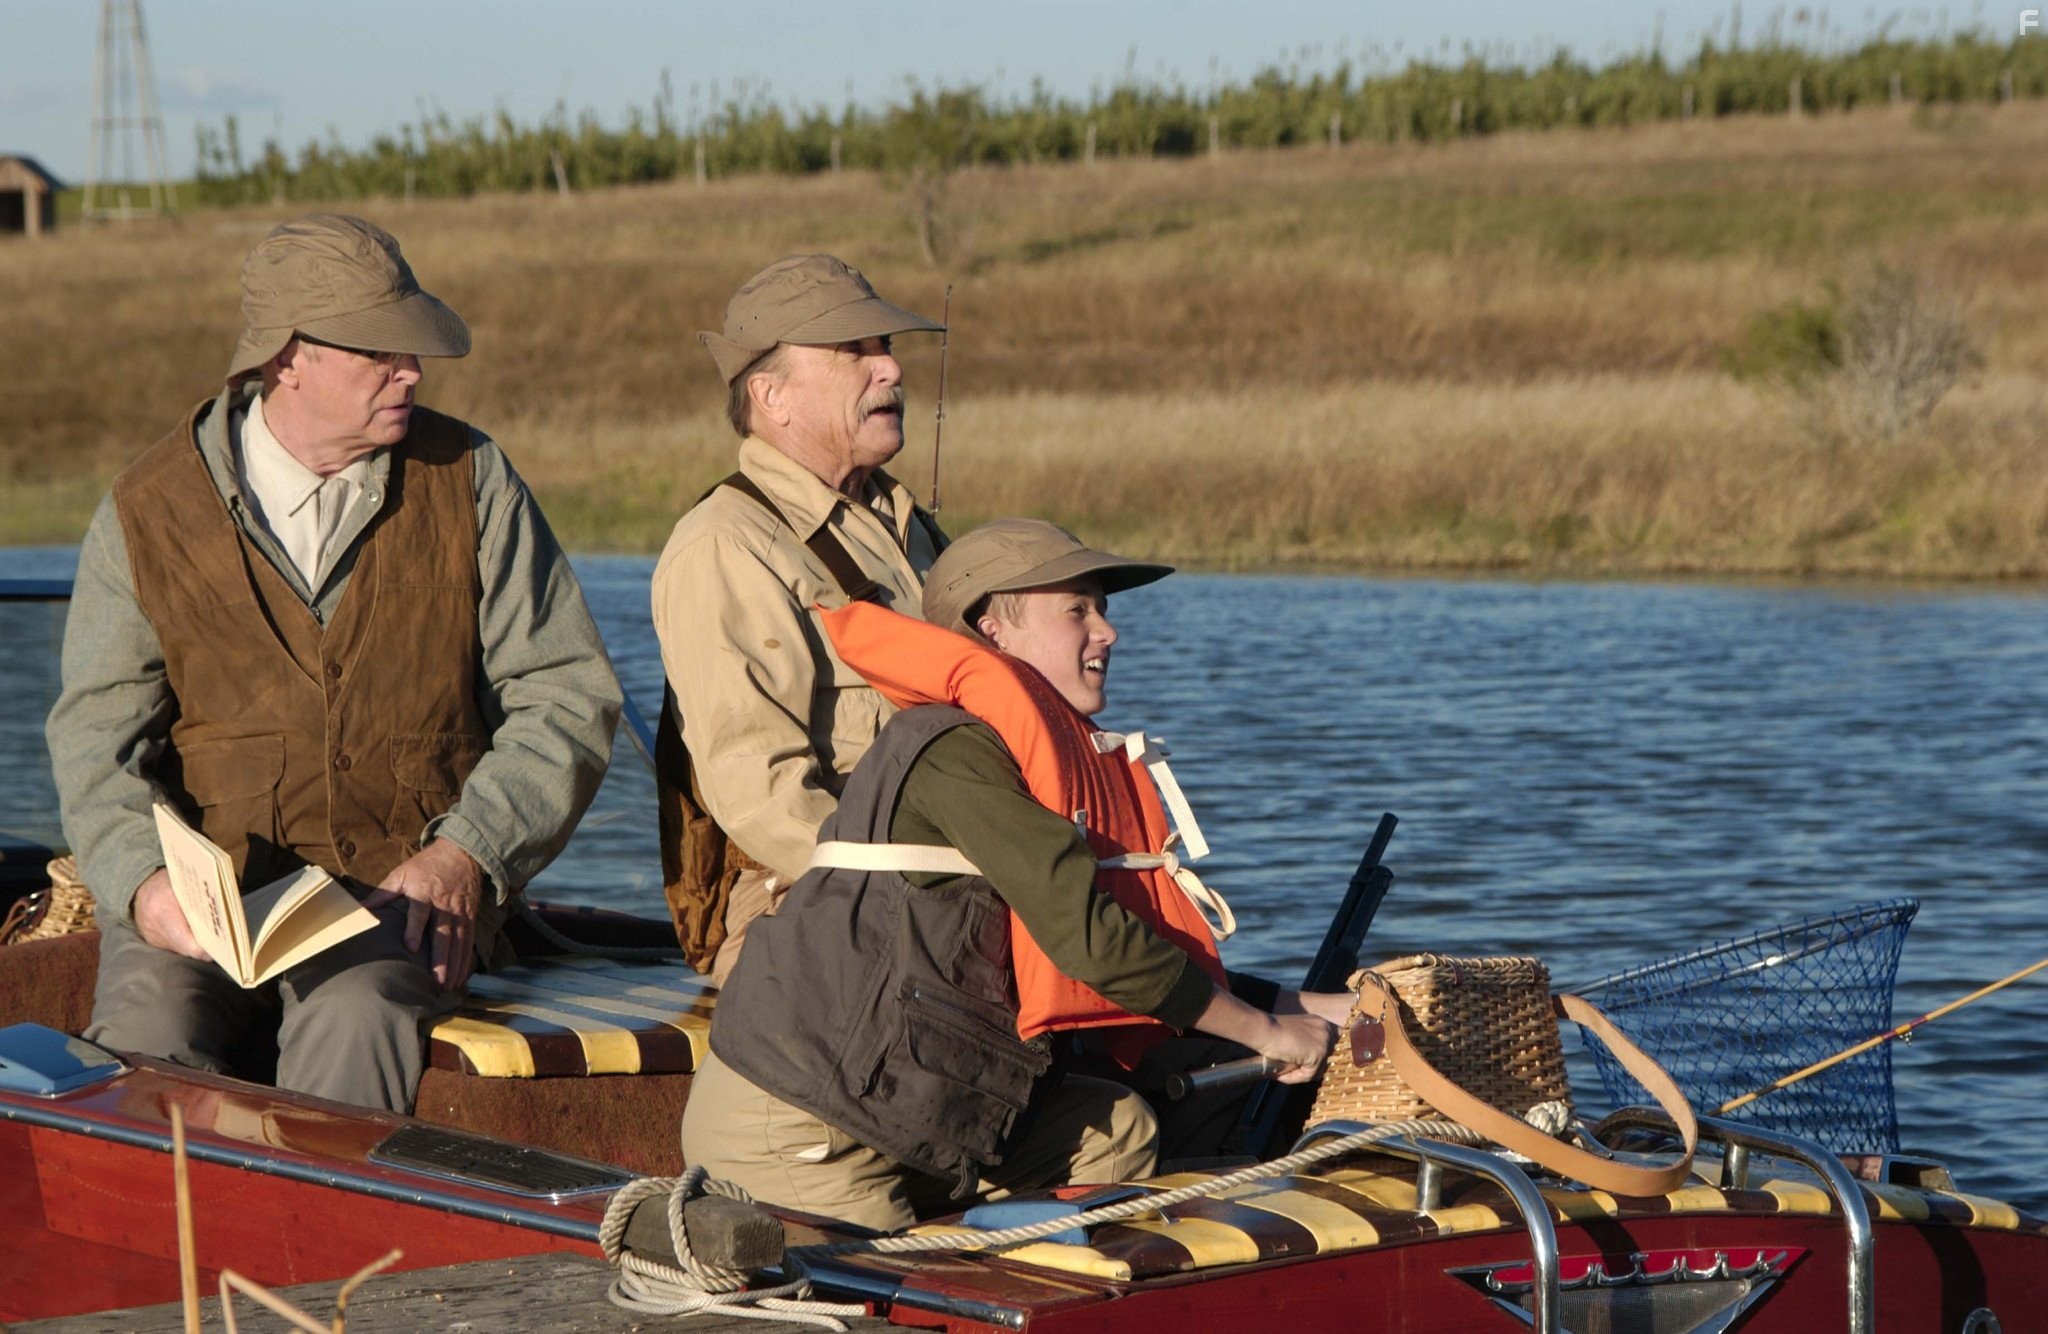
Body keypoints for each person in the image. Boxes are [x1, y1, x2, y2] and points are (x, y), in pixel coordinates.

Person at [46, 213, 622, 1114]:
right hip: (204, 908)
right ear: (287, 360)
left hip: (403, 904)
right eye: (382, 352)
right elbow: (94, 743)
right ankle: (163, 1252)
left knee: (355, 1014)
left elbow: (567, 696)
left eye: (414, 350)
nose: (413, 371)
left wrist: (467, 855)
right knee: (151, 1028)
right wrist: (144, 887)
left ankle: (312, 1256)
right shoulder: (144, 512)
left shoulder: (473, 480)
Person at [682, 518, 1348, 1231]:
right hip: (808, 1125)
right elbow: (1092, 944)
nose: (1108, 632)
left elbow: (1135, 945)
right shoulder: (954, 749)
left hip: (906, 1102)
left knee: (1118, 1130)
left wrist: (1306, 1004)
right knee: (882, 1298)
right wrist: (1269, 1035)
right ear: (991, 629)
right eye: (1077, 610)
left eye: (1104, 609)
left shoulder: (1027, 755)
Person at [650, 254, 946, 985]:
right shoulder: (725, 544)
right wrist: (932, 886)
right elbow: (762, 795)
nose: (890, 370)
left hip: (940, 876)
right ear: (771, 395)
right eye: (856, 351)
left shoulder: (908, 527)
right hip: (796, 901)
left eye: (887, 347)